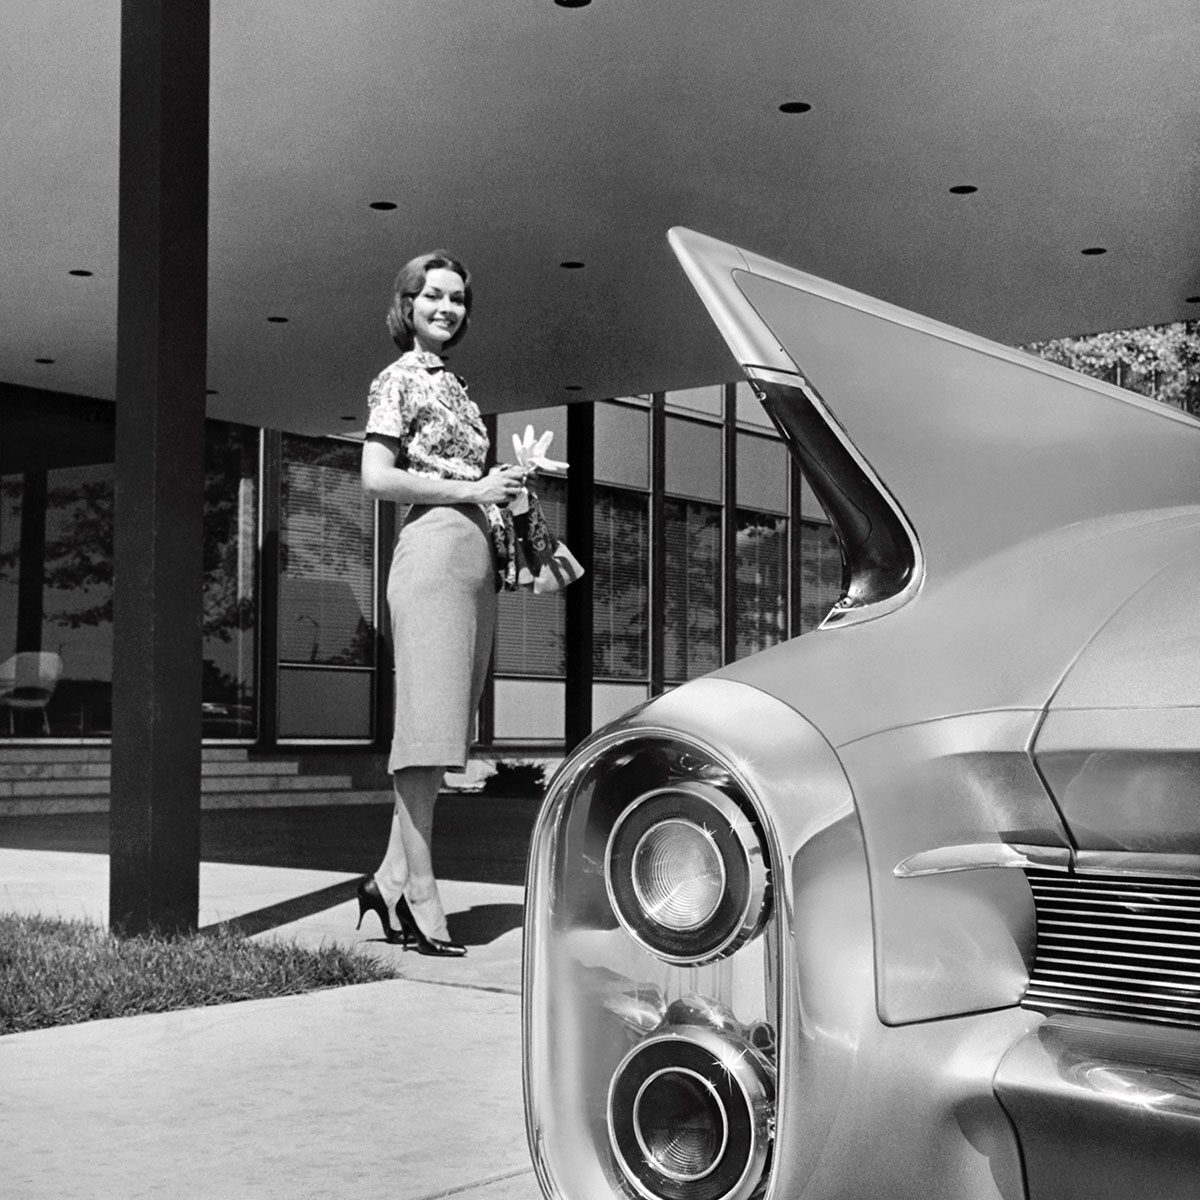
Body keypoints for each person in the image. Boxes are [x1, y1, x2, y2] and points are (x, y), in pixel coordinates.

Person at [356, 250, 524, 957]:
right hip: (432, 554)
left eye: (457, 298)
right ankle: (422, 891)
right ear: (407, 303)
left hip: (474, 556)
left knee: (444, 729)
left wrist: (507, 483)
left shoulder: (456, 383)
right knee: (424, 731)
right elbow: (376, 476)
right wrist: (471, 490)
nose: (447, 307)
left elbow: (461, 473)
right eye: (433, 296)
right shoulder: (397, 380)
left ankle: (388, 880)